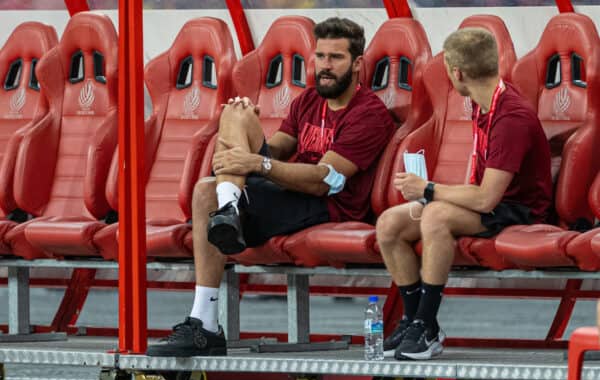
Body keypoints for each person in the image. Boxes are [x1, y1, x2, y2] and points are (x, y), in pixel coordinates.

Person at [146, 17, 395, 357]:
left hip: (324, 204)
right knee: (235, 115)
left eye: (335, 58)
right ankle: (229, 209)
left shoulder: (369, 115)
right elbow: (277, 147)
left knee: (206, 192)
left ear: (357, 64)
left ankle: (204, 322)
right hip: (288, 190)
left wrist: (256, 164)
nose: (324, 66)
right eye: (320, 56)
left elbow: (325, 180)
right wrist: (245, 132)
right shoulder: (308, 100)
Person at [376, 28, 552, 361]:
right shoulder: (481, 102)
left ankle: (426, 326)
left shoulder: (510, 116)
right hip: (492, 204)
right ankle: (415, 321)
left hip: (519, 209)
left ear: (456, 73)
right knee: (389, 224)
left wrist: (427, 189)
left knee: (435, 214)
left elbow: (487, 199)